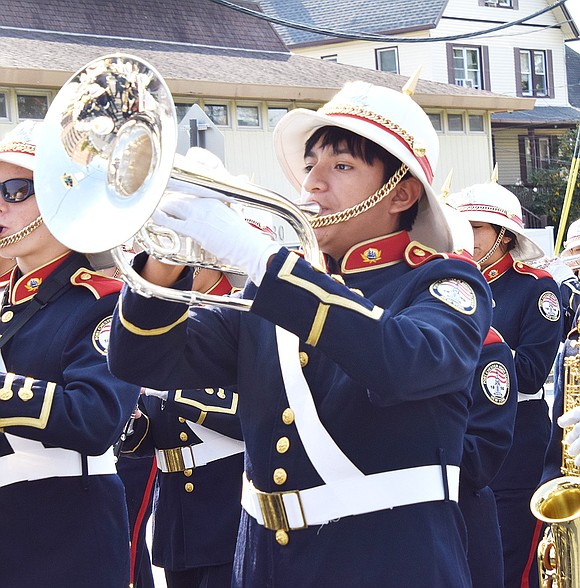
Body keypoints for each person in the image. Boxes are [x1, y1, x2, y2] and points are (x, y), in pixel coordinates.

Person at [108, 79, 493, 587]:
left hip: (387, 563)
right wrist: (166, 254)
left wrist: (261, 258)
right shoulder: (277, 292)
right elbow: (143, 360)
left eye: (342, 166)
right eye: (310, 165)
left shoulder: (443, 281)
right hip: (264, 563)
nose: (312, 182)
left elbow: (405, 363)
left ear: (400, 192)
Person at [0, 120, 141, 587]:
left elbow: (96, 415)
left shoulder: (104, 299)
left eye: (15, 190)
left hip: (64, 538)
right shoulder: (6, 299)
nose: (0, 204)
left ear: (64, 195)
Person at [449, 181, 563, 588]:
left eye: (475, 227)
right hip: (458, 431)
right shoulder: (452, 284)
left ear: (503, 234)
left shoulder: (536, 287)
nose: (466, 236)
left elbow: (531, 371)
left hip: (516, 436)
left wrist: (462, 350)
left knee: (508, 555)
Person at [121, 266, 245, 588]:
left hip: (225, 502)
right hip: (176, 511)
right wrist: (133, 418)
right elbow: (155, 432)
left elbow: (251, 411)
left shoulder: (240, 313)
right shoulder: (171, 319)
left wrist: (168, 388)